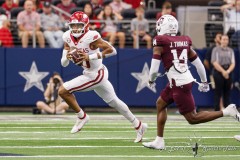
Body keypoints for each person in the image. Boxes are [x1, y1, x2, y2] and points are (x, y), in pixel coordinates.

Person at [142, 15, 240, 149]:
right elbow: (198, 64)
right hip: (178, 81)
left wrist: (151, 80)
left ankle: (227, 112)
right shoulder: (184, 40)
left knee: (192, 118)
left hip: (179, 83)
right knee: (160, 104)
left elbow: (153, 70)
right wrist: (204, 81)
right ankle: (159, 141)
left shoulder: (160, 41)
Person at [58, 11, 147, 142]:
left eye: (78, 25)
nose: (75, 28)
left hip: (96, 74)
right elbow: (63, 64)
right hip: (90, 73)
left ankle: (82, 116)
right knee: (114, 102)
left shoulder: (91, 36)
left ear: (86, 25)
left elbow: (112, 50)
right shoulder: (67, 36)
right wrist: (68, 56)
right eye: (74, 25)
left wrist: (90, 56)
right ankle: (139, 125)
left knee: (63, 91)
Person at [211, 34, 235, 111]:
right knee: (218, 92)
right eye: (223, 39)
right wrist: (223, 71)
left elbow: (233, 63)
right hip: (218, 72)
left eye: (226, 39)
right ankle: (217, 110)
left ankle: (228, 110)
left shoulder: (230, 50)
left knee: (227, 92)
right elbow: (214, 62)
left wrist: (227, 71)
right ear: (220, 40)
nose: (225, 41)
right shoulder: (215, 50)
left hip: (228, 71)